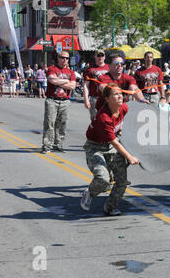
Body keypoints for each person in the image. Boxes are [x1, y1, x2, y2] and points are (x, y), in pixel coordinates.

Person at [80, 83, 140, 216]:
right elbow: (116, 143)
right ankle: (89, 192)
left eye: (121, 93)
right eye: (116, 94)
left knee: (122, 181)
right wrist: (129, 157)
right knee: (103, 179)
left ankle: (110, 207)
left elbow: (124, 125)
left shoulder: (123, 107)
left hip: (111, 146)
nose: (120, 96)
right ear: (107, 98)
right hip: (95, 147)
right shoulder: (104, 118)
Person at [41, 51, 76, 154]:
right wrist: (66, 81)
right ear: (58, 58)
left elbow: (72, 86)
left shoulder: (71, 72)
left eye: (67, 58)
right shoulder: (52, 69)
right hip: (52, 100)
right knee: (49, 122)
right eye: (62, 57)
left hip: (65, 101)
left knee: (62, 123)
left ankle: (58, 144)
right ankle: (47, 145)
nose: (64, 60)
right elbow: (52, 81)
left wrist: (59, 81)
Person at [83, 50, 109, 120]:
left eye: (102, 55)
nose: (100, 57)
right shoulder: (90, 69)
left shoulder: (109, 68)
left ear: (104, 57)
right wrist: (86, 99)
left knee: (108, 119)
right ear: (95, 57)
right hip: (95, 98)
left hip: (108, 98)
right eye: (98, 55)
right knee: (95, 120)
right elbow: (86, 85)